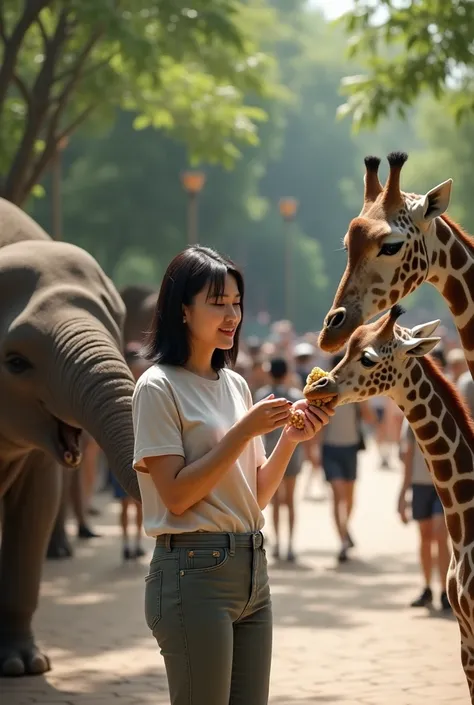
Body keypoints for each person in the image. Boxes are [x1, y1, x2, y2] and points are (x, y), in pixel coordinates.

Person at [131, 246, 334, 705]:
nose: (231, 314)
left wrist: (289, 440)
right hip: (192, 574)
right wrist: (244, 431)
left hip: (252, 570)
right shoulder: (157, 387)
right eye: (217, 302)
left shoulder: (236, 384)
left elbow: (256, 495)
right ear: (183, 310)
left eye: (236, 302)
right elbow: (177, 496)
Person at [397, 348, 451, 611]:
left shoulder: (452, 408)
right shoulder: (413, 410)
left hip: (444, 485)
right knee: (425, 535)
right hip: (420, 484)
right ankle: (427, 588)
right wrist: (402, 494)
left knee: (441, 535)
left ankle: (446, 591)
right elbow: (407, 455)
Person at [321, 353, 375, 563]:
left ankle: (345, 528)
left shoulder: (355, 390)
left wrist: (362, 399)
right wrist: (314, 451)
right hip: (330, 449)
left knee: (350, 498)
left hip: (350, 449)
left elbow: (370, 418)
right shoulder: (323, 393)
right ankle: (342, 540)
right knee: (337, 495)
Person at [255, 357, 303, 562]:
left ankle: (277, 543)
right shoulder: (295, 397)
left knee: (274, 501)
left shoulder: (262, 396)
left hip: (268, 454)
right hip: (291, 454)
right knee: (290, 500)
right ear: (286, 374)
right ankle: (290, 544)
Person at [112, 343, 151, 560]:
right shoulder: (120, 390)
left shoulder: (148, 390)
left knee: (137, 501)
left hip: (142, 454)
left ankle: (135, 542)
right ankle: (127, 543)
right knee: (125, 502)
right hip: (124, 452)